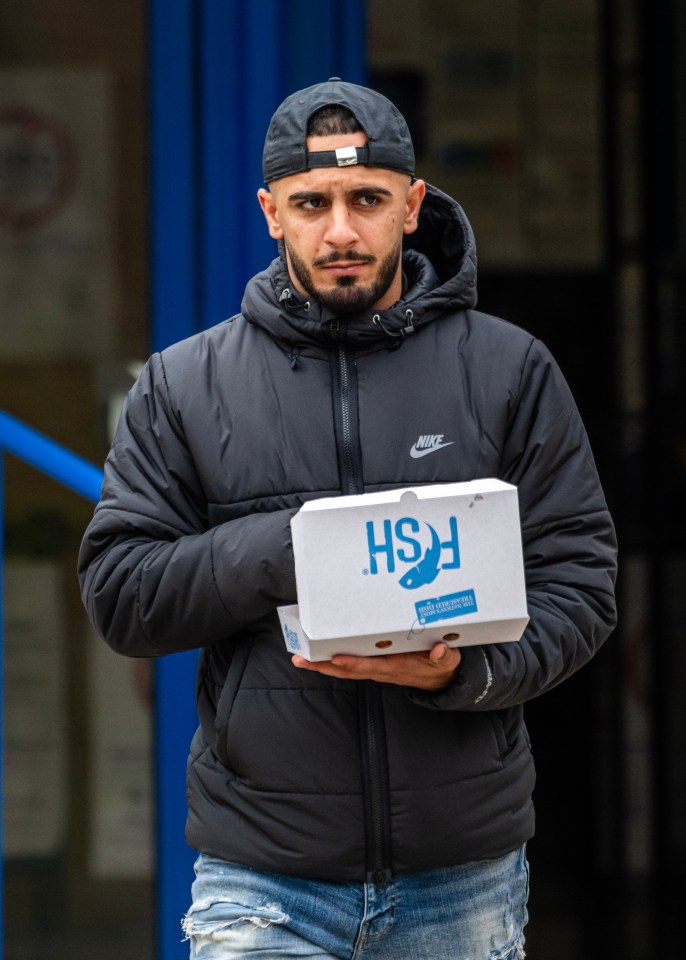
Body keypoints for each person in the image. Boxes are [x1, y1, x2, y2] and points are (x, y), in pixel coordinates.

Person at [78, 78, 617, 959]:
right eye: (311, 203)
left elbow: (581, 584)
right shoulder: (184, 385)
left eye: (366, 199)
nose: (340, 232)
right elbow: (122, 596)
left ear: (411, 205)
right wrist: (292, 548)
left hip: (462, 876)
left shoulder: (509, 370)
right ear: (270, 213)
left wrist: (465, 671)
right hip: (263, 878)